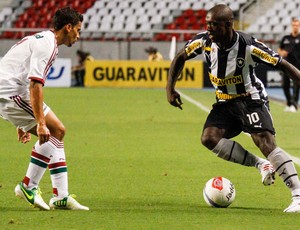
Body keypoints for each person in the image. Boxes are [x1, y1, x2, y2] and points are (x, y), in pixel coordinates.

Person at [166, 4, 300, 213]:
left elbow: (281, 64)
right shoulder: (204, 41)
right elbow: (180, 57)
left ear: (228, 25)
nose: (209, 29)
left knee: (264, 141)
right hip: (224, 101)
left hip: (250, 99)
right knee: (209, 138)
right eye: (207, 24)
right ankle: (261, 165)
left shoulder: (248, 46)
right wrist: (170, 89)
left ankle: (298, 195)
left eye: (214, 25)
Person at [0, 7, 89, 210]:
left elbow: (13, 66)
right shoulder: (48, 45)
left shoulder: (42, 39)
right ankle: (27, 186)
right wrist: (39, 123)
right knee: (55, 131)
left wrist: (21, 122)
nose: (78, 34)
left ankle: (61, 196)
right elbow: (35, 84)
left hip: (9, 91)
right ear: (68, 27)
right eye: (78, 29)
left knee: (57, 133)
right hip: (10, 92)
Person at [278, 18, 300, 112]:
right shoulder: (286, 38)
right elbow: (279, 49)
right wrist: (282, 53)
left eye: (297, 25)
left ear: (299, 26)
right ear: (292, 26)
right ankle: (289, 103)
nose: (295, 26)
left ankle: (294, 105)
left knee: (296, 85)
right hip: (286, 65)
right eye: (294, 25)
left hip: (297, 65)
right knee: (284, 85)